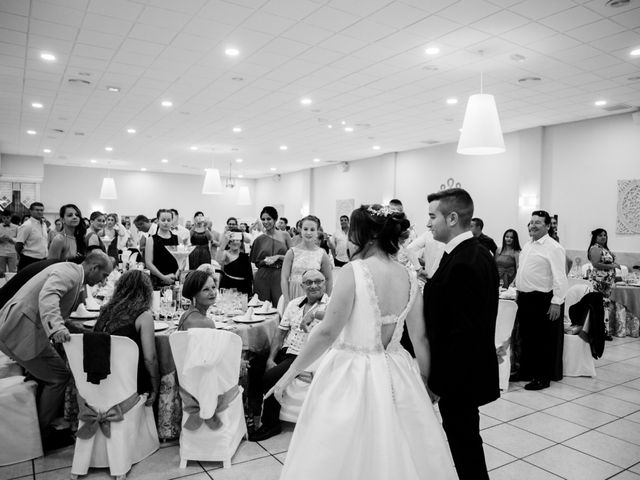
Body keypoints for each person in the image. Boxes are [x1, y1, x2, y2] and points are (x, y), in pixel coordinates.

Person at [272, 204, 457, 480]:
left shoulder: (353, 270)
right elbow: (419, 337)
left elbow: (326, 333)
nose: (349, 239)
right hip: (397, 370)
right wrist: (428, 382)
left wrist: (288, 374)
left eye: (353, 233)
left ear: (367, 236)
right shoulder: (408, 275)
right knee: (401, 446)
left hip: (352, 372)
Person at [0, 251, 112, 448]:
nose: (104, 281)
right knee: (58, 377)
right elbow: (49, 296)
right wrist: (57, 328)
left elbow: (56, 307)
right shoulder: (70, 273)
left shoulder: (73, 274)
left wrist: (78, 331)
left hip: (24, 329)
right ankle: (41, 434)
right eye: (104, 276)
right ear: (94, 268)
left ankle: (41, 425)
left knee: (56, 372)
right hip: (18, 331)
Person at [424, 188, 499, 480]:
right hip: (463, 373)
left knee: (465, 442)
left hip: (459, 376)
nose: (428, 223)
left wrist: (437, 381)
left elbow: (462, 333)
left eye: (433, 216)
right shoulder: (467, 253)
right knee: (465, 440)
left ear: (452, 217)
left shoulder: (466, 260)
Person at [249, 269, 329, 441]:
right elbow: (280, 333)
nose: (314, 285)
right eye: (308, 282)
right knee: (254, 365)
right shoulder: (293, 304)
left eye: (318, 281)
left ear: (325, 283)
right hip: (287, 351)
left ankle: (271, 424)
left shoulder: (331, 306)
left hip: (304, 356)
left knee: (270, 377)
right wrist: (271, 358)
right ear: (302, 286)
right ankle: (253, 414)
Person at [514, 210, 568, 391]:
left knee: (542, 340)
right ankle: (527, 372)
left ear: (547, 226)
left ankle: (542, 377)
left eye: (538, 222)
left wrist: (556, 302)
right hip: (525, 298)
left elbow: (560, 277)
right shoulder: (528, 245)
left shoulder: (553, 247)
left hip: (542, 299)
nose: (533, 225)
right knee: (527, 338)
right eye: (531, 222)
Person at [94, 269, 159, 405]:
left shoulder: (105, 311)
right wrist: (155, 386)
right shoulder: (143, 316)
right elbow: (150, 359)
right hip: (130, 384)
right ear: (147, 291)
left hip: (100, 378)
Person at [281, 216, 333, 307]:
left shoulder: (322, 254)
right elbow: (284, 278)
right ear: (300, 230)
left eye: (312, 229)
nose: (308, 232)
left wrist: (326, 300)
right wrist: (286, 300)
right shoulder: (291, 252)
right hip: (294, 294)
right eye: (305, 229)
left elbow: (328, 279)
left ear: (317, 231)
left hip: (314, 296)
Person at [250, 206, 291, 304]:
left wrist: (278, 257)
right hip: (262, 276)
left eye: (269, 219)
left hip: (280, 275)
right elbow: (256, 262)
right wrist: (264, 261)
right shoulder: (259, 239)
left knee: (281, 305)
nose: (265, 222)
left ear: (275, 219)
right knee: (261, 307)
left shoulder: (285, 235)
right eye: (263, 219)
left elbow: (293, 257)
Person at [587, 228, 619, 339]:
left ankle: (603, 331)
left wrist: (614, 265)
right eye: (600, 235)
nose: (603, 237)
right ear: (595, 237)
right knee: (599, 306)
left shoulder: (604, 248)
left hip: (606, 283)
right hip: (599, 282)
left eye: (605, 235)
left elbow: (606, 262)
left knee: (604, 306)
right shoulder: (595, 248)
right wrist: (612, 266)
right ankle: (599, 332)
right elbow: (596, 264)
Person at [145, 209, 179, 289]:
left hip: (174, 279)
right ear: (158, 221)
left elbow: (182, 260)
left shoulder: (178, 239)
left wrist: (177, 274)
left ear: (172, 221)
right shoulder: (151, 240)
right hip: (157, 281)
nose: (166, 222)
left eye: (168, 220)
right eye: (163, 220)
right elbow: (148, 263)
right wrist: (163, 277)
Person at [217, 228, 253, 296]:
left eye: (237, 240)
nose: (235, 242)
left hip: (244, 287)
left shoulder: (245, 256)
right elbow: (218, 260)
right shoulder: (226, 253)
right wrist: (224, 242)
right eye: (232, 240)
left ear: (241, 242)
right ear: (229, 243)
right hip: (229, 287)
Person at [15, 202, 49, 270]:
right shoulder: (27, 225)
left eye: (41, 210)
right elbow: (18, 244)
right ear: (30, 211)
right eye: (37, 210)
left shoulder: (44, 224)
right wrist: (24, 256)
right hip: (29, 260)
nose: (39, 212)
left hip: (43, 260)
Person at [0, 210, 18, 277]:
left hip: (12, 251)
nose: (6, 220)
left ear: (10, 217)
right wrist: (1, 239)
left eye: (7, 218)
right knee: (1, 272)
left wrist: (11, 239)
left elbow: (19, 240)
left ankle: (13, 286)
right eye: (4, 218)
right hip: (1, 252)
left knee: (13, 272)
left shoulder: (16, 227)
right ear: (1, 218)